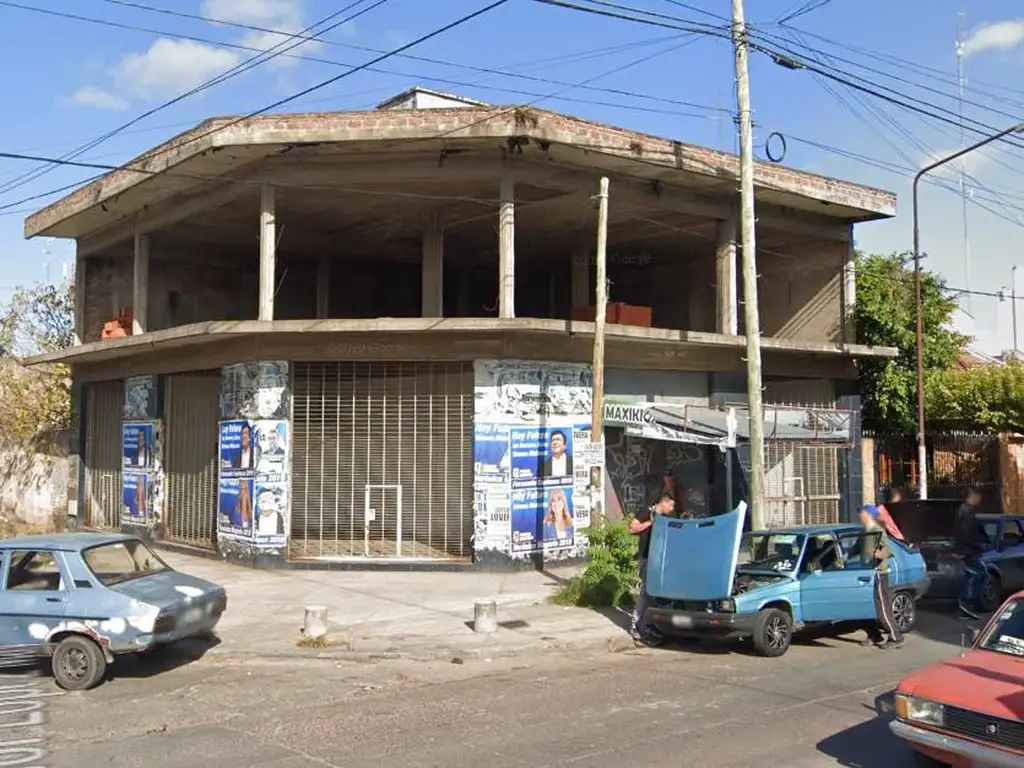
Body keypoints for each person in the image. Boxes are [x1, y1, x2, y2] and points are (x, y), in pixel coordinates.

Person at [629, 492, 676, 645]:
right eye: (671, 505)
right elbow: (632, 528)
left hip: (659, 559)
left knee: (655, 593)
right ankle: (636, 626)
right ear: (664, 502)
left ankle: (650, 625)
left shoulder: (666, 518)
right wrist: (650, 523)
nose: (672, 508)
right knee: (647, 592)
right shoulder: (647, 511)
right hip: (646, 558)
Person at [859, 505, 903, 649]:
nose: (860, 516)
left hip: (879, 573)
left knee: (883, 607)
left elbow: (889, 549)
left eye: (862, 513)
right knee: (867, 606)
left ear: (869, 515)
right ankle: (874, 635)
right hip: (865, 574)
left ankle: (896, 637)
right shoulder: (864, 532)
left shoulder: (878, 531)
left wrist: (881, 554)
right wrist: (841, 561)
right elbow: (855, 549)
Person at [953, 488, 989, 619]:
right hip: (969, 551)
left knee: (976, 575)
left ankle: (966, 604)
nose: (980, 500)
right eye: (978, 497)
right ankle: (966, 603)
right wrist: (977, 544)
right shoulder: (966, 512)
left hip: (968, 550)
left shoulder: (966, 511)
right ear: (972, 497)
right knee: (978, 575)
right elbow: (966, 533)